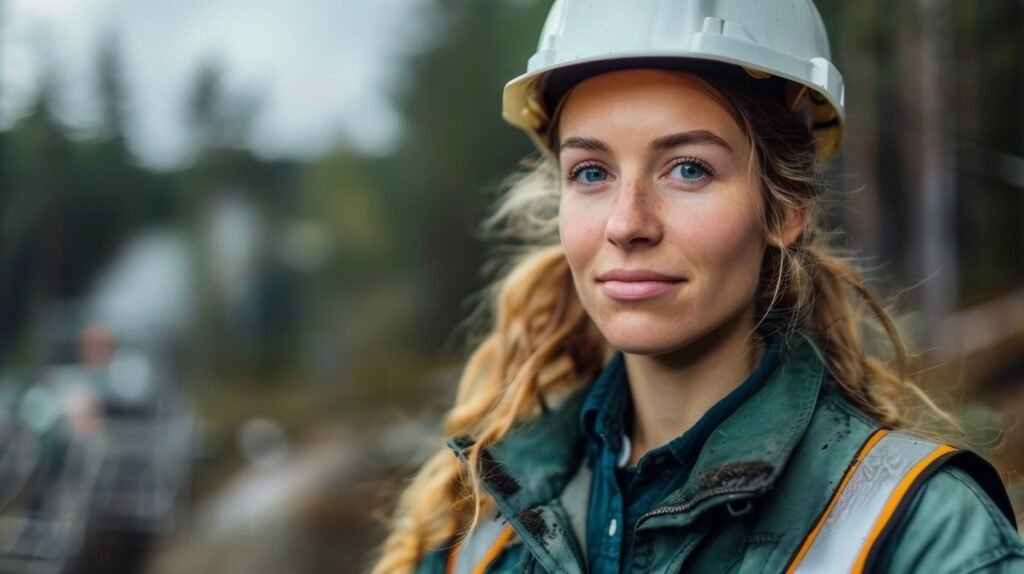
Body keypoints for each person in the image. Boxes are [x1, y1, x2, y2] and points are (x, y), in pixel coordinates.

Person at [373, 1, 1024, 572]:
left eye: (687, 168)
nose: (627, 224)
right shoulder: (483, 524)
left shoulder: (925, 537)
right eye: (592, 172)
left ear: (784, 208)